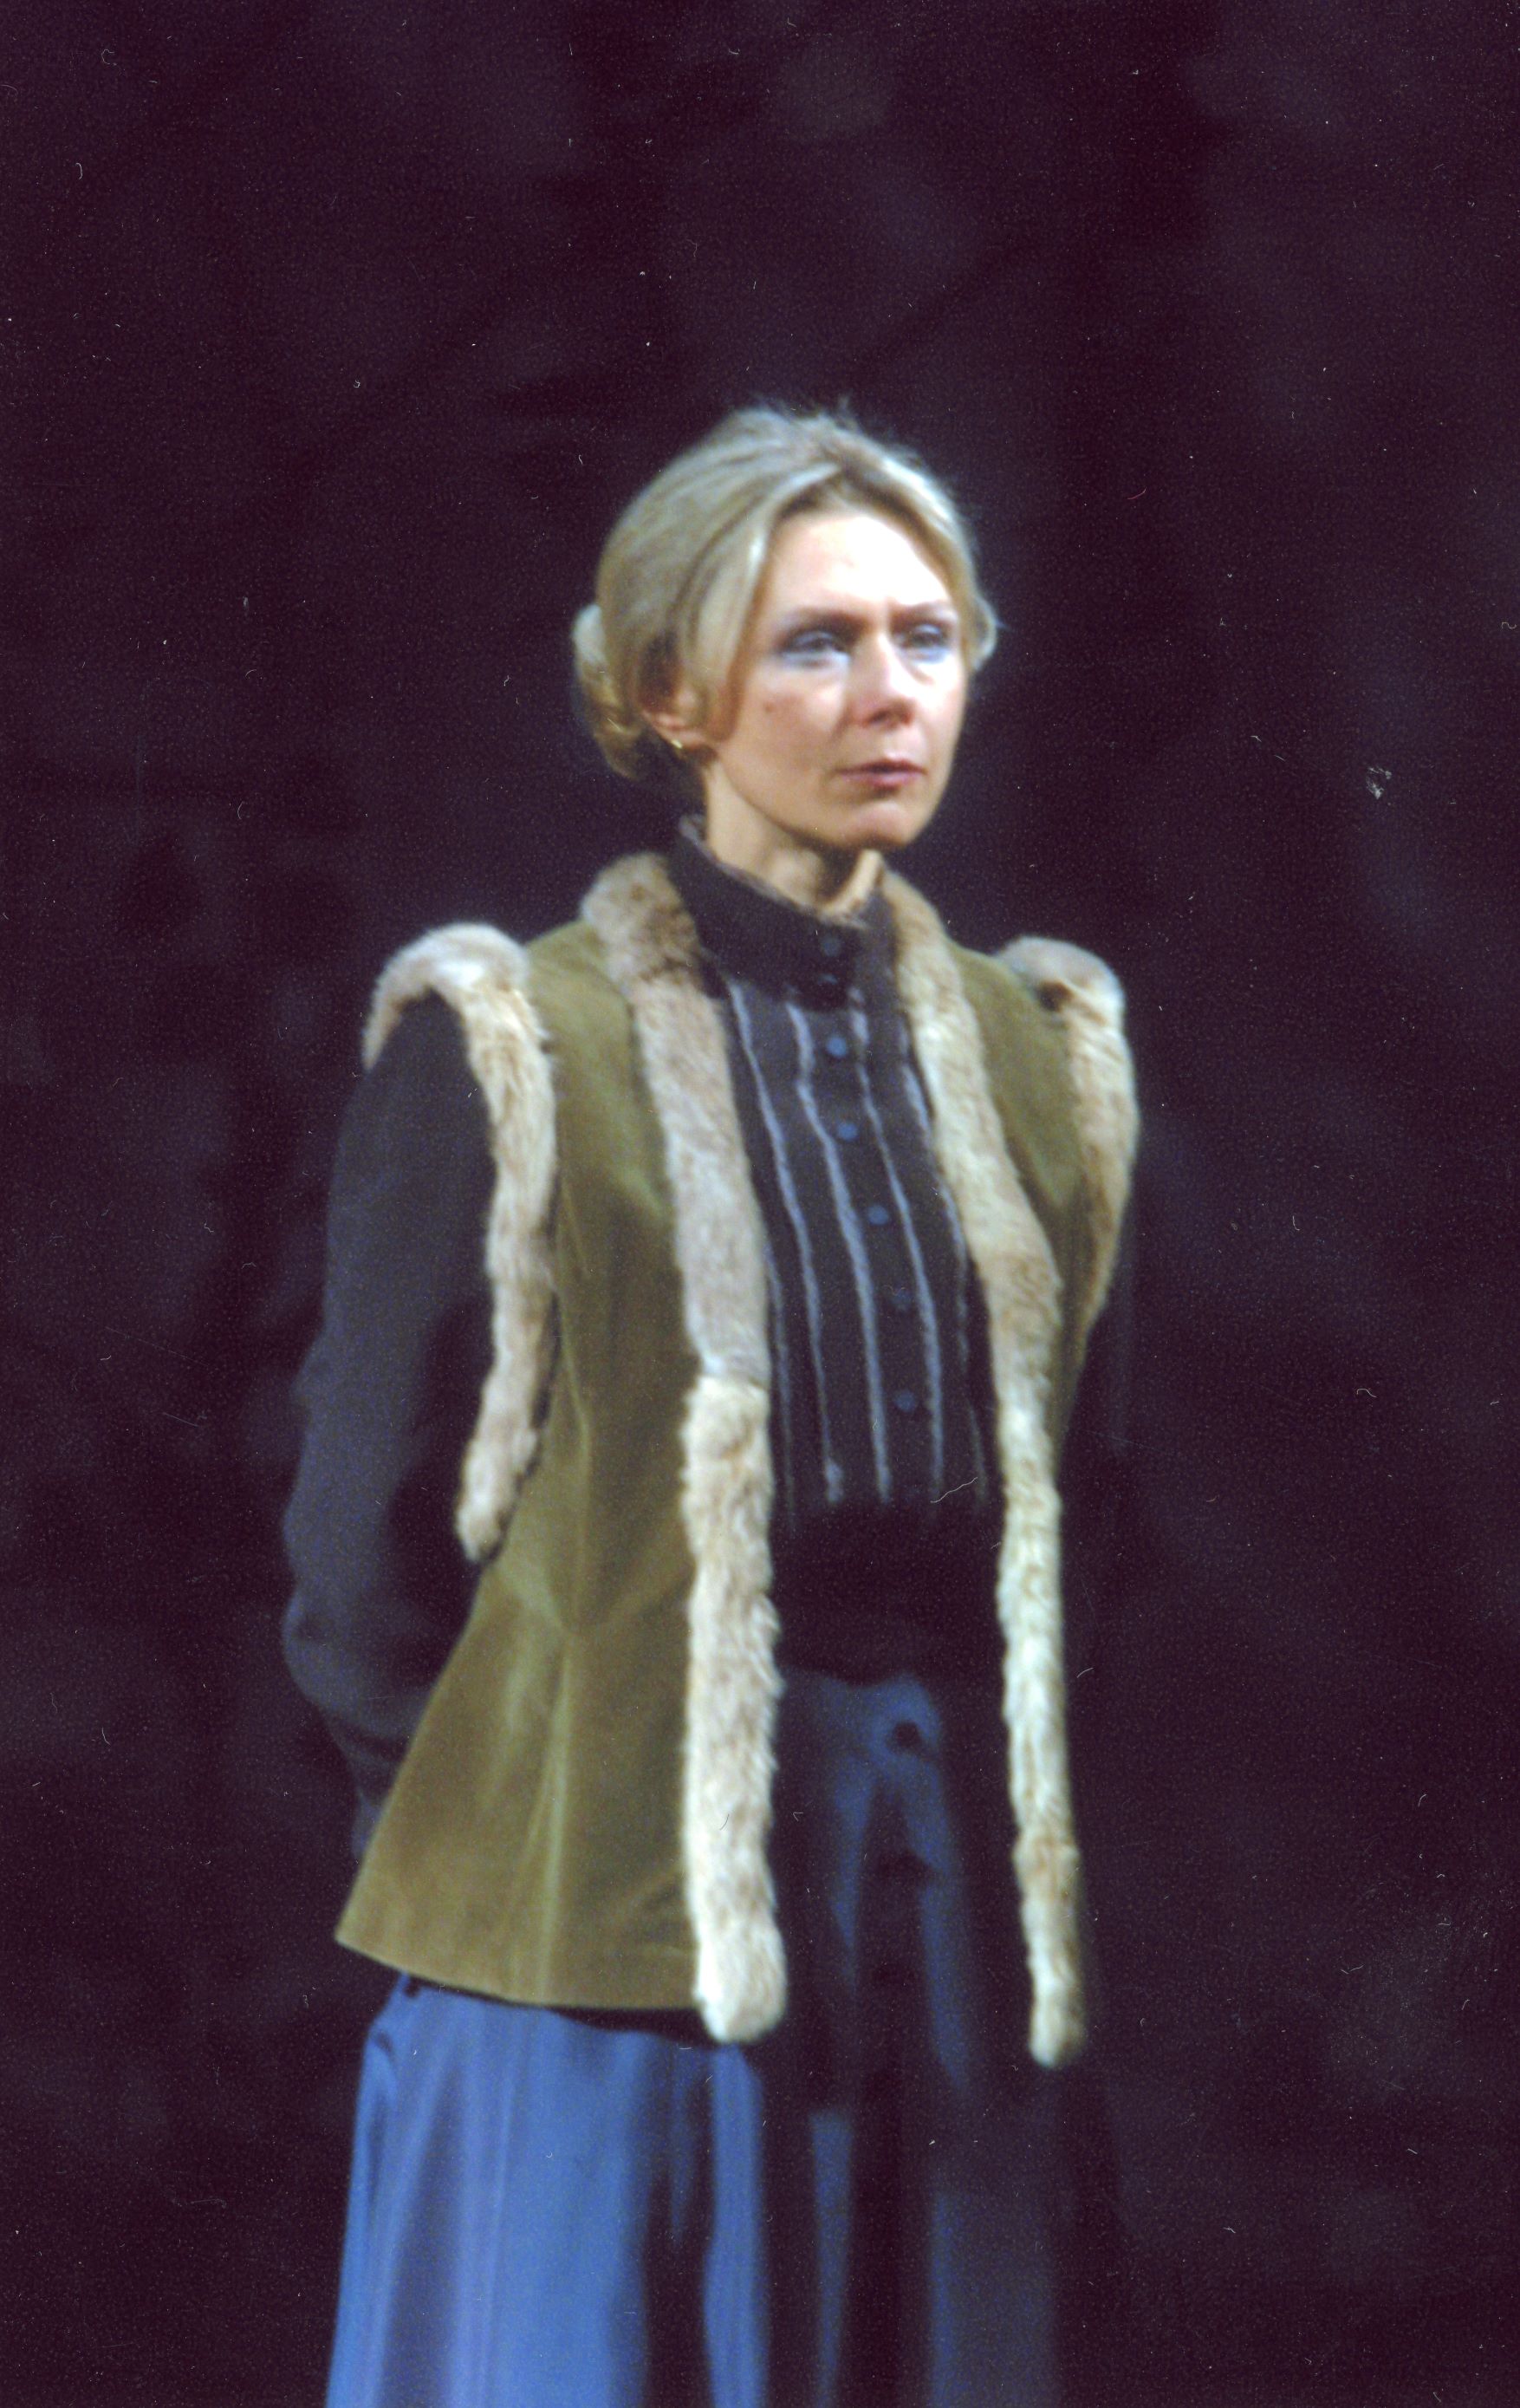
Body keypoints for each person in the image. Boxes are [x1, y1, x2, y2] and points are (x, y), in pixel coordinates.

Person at [283, 405, 1138, 2408]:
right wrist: (523, 1818)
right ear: (673, 691)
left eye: (927, 640)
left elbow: (1087, 1508)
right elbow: (362, 1540)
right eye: (814, 644)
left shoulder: (1041, 1054)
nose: (890, 695)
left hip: (938, 1890)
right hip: (596, 1905)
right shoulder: (520, 1041)